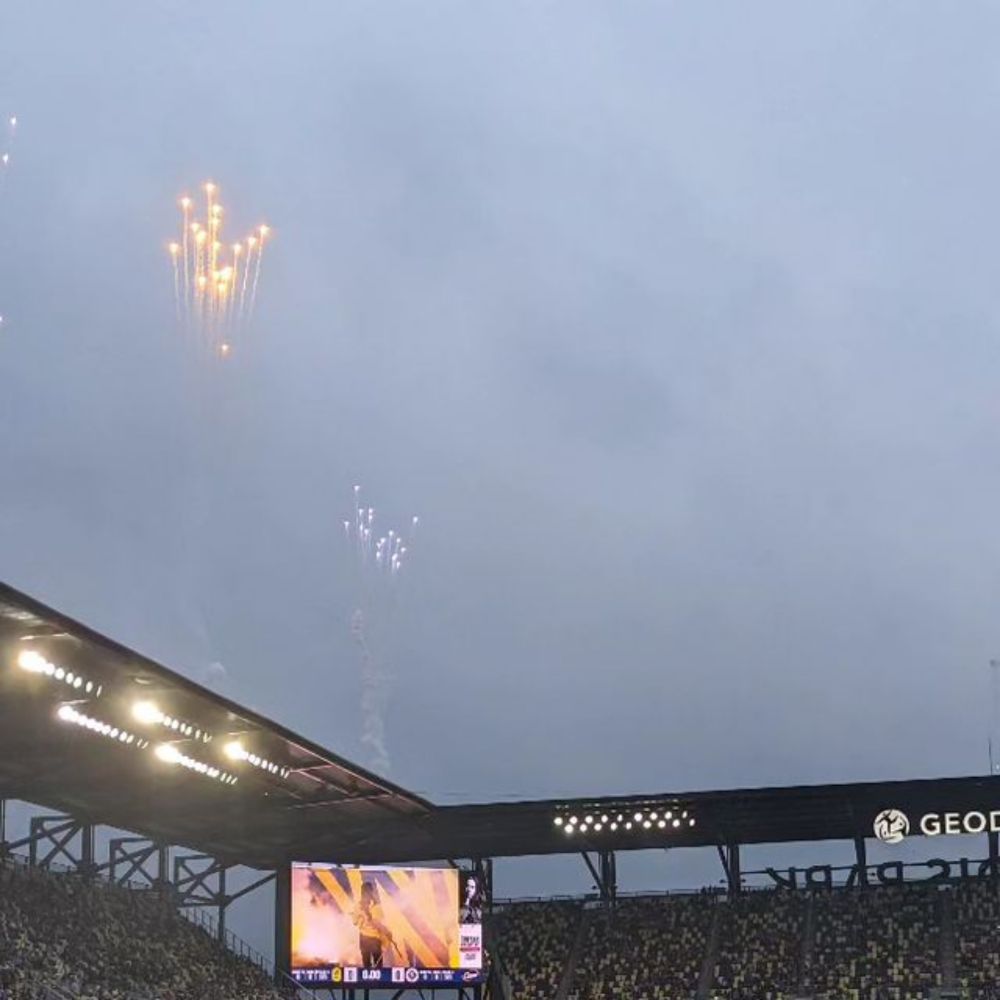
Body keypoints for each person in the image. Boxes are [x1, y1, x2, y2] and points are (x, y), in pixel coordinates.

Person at [352, 882, 393, 969]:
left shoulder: (373, 906)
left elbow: (355, 922)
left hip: (371, 939)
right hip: (368, 938)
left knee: (371, 965)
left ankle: (371, 981)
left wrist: (386, 932)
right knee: (373, 966)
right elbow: (355, 922)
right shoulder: (360, 906)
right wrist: (387, 932)